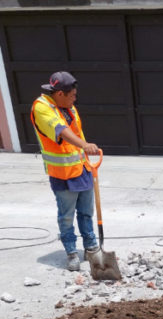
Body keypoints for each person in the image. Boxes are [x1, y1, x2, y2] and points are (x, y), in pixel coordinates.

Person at [30, 71, 102, 272]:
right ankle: (71, 252)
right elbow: (61, 131)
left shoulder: (68, 106)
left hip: (83, 169)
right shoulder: (41, 108)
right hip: (62, 175)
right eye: (72, 95)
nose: (75, 98)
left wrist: (85, 152)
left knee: (87, 213)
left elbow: (75, 132)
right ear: (59, 93)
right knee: (66, 216)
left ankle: (91, 247)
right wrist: (86, 145)